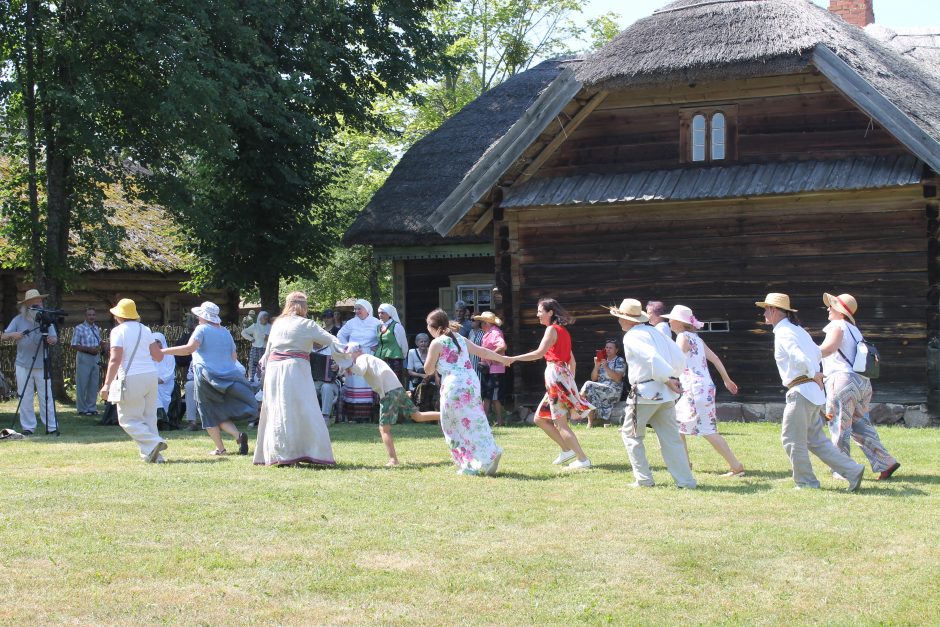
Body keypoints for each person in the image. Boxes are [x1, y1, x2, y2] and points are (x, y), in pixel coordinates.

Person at [756, 293, 864, 491]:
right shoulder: (798, 330)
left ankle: (806, 482)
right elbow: (815, 352)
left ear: (773, 310)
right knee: (816, 440)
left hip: (801, 392)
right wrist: (814, 373)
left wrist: (813, 372)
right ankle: (853, 471)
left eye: (766, 309)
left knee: (791, 439)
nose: (763, 313)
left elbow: (799, 356)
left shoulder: (784, 332)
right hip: (811, 393)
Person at [252, 292, 345, 466]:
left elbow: (267, 351)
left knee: (278, 410)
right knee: (302, 409)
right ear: (303, 306)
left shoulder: (277, 323)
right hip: (294, 369)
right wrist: (350, 352)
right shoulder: (307, 324)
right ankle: (301, 452)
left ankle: (280, 454)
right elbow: (332, 341)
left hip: (274, 369)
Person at [611, 299, 696, 488]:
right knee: (672, 439)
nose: (619, 321)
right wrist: (673, 376)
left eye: (620, 318)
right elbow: (678, 356)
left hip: (646, 394)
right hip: (664, 394)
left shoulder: (632, 336)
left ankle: (644, 479)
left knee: (631, 436)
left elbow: (651, 357)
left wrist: (668, 378)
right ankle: (686, 481)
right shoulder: (655, 332)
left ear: (627, 319)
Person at [818, 292, 900, 480]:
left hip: (841, 381)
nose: (828, 308)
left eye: (832, 306)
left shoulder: (837, 325)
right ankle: (885, 462)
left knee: (839, 425)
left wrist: (808, 352)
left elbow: (829, 348)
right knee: (860, 425)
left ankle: (842, 469)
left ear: (840, 311)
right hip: (862, 382)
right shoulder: (855, 330)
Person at [508, 299, 593, 470]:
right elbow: (572, 363)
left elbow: (539, 353)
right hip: (561, 378)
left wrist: (513, 358)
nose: (537, 314)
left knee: (560, 424)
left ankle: (583, 459)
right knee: (539, 418)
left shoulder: (551, 330)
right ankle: (566, 449)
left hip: (556, 378)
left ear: (550, 312)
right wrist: (568, 384)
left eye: (540, 311)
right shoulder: (564, 332)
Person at [163, 302, 255, 456]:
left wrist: (163, 351)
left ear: (203, 316)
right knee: (219, 411)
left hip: (206, 376)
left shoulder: (202, 329)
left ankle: (221, 448)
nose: (197, 318)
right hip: (228, 376)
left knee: (207, 412)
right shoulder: (225, 332)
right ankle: (238, 437)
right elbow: (234, 357)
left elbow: (189, 349)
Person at [422, 308, 507, 475]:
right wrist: (503, 359)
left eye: (428, 326)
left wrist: (434, 362)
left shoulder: (437, 342)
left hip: (453, 385)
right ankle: (491, 452)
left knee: (452, 424)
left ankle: (468, 465)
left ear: (435, 327)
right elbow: (482, 351)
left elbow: (427, 370)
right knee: (476, 419)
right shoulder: (459, 338)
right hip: (470, 382)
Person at [663, 305, 745, 477]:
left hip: (694, 389)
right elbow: (714, 359)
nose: (669, 320)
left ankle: (734, 466)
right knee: (681, 425)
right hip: (703, 388)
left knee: (700, 429)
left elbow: (676, 362)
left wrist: (664, 375)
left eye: (671, 318)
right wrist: (726, 379)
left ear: (679, 322)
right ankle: (687, 465)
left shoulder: (683, 337)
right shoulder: (696, 338)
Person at [345, 343, 440, 466]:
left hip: (389, 392)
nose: (349, 357)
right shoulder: (369, 357)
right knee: (417, 416)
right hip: (397, 389)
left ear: (355, 352)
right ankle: (446, 415)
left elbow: (360, 370)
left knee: (384, 429)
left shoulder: (362, 358)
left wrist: (348, 364)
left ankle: (393, 460)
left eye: (349, 355)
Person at [99, 298, 167, 462]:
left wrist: (107, 384)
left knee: (127, 419)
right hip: (150, 375)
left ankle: (154, 443)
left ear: (119, 316)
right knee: (149, 417)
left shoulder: (118, 331)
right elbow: (158, 356)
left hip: (131, 376)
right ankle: (154, 456)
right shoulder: (145, 329)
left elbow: (115, 359)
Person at [1, 289, 59, 435]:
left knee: (46, 396)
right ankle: (28, 427)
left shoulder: (46, 319)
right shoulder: (18, 320)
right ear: (27, 305)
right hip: (23, 364)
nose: (38, 305)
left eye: (39, 302)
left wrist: (52, 340)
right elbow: (3, 336)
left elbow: (54, 338)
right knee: (25, 396)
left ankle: (51, 427)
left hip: (42, 363)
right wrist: (14, 335)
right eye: (35, 303)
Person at [337, 299, 380, 422]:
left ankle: (368, 416)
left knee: (368, 382)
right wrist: (348, 347)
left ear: (367, 309)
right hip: (354, 356)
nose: (356, 311)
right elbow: (340, 335)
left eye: (359, 308)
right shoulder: (351, 323)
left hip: (369, 355)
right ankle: (353, 416)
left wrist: (378, 345)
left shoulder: (376, 323)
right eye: (355, 309)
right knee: (354, 383)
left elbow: (382, 338)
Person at [579, 339, 625, 428]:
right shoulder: (602, 360)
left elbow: (618, 379)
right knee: (590, 392)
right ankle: (591, 423)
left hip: (613, 390)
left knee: (588, 385)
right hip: (601, 389)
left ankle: (577, 404)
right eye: (606, 347)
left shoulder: (619, 360)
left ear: (616, 350)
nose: (607, 349)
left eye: (610, 348)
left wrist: (606, 367)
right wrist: (596, 366)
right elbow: (594, 378)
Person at [474, 311, 508, 426]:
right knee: (487, 396)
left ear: (486, 323)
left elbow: (502, 346)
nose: (480, 325)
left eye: (482, 323)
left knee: (494, 397)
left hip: (495, 370)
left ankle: (500, 422)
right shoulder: (488, 332)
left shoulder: (495, 333)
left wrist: (491, 355)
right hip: (489, 369)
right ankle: (484, 422)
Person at [71, 307, 104, 416]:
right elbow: (74, 345)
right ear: (85, 316)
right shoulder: (79, 328)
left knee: (93, 383)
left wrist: (103, 345)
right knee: (82, 383)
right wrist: (89, 350)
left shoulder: (96, 328)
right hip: (84, 356)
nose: (91, 317)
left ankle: (92, 408)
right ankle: (82, 409)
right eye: (89, 315)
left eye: (93, 315)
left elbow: (99, 341)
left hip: (95, 357)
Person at [375, 303, 408, 384]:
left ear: (389, 313)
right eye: (379, 313)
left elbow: (403, 344)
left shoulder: (396, 326)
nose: (380, 315)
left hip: (394, 360)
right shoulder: (378, 326)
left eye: (382, 313)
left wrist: (403, 355)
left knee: (394, 383)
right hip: (381, 359)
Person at [406, 332, 439, 411]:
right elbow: (409, 371)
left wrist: (430, 376)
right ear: (417, 343)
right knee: (422, 386)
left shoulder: (432, 352)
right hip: (417, 380)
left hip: (431, 378)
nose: (423, 343)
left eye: (425, 341)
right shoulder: (411, 352)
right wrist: (422, 375)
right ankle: (419, 407)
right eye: (421, 341)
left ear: (428, 342)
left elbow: (436, 368)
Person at [150, 332, 178, 425]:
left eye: (158, 341)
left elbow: (168, 375)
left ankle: (161, 416)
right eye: (154, 342)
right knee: (152, 390)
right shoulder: (146, 356)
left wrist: (153, 381)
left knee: (154, 390)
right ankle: (159, 416)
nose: (156, 344)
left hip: (166, 384)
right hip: (151, 383)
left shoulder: (169, 356)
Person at [241, 310, 271, 383]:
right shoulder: (255, 326)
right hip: (255, 348)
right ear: (260, 318)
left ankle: (263, 380)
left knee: (264, 365)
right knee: (253, 363)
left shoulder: (270, 327)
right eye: (264, 318)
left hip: (265, 349)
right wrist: (251, 339)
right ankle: (251, 379)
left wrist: (269, 338)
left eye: (267, 318)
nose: (266, 320)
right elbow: (243, 332)